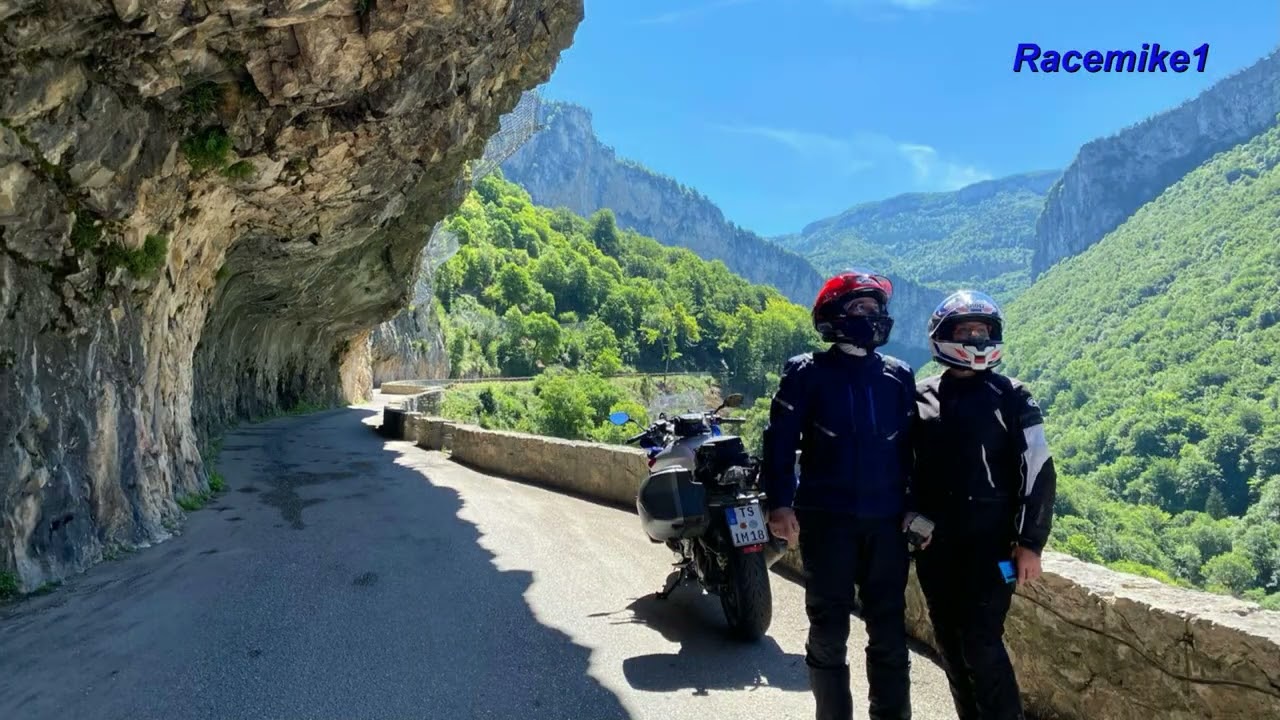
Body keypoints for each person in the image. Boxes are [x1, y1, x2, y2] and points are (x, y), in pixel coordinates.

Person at [761, 269, 917, 720]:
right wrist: (780, 503)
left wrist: (916, 506)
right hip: (827, 519)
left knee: (888, 630)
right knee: (829, 628)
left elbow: (913, 448)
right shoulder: (806, 373)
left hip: (887, 522)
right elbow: (779, 440)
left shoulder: (898, 376)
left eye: (877, 308)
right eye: (862, 308)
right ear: (835, 314)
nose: (873, 316)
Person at [903, 289, 1057, 720]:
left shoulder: (1012, 395)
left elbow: (1039, 469)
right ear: (943, 336)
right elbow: (900, 467)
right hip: (936, 545)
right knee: (949, 644)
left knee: (981, 642)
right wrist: (908, 515)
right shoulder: (920, 397)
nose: (975, 338)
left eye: (982, 330)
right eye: (965, 330)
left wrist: (1031, 542)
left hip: (993, 547)